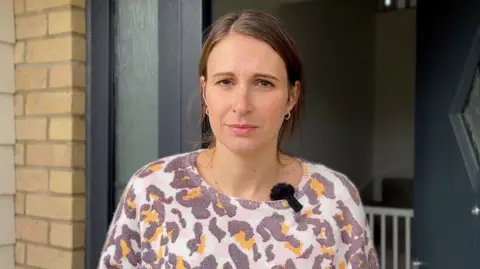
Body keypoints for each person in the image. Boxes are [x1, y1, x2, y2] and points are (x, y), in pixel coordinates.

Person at [98, 9, 379, 269]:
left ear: (291, 97)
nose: (242, 105)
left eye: (263, 83)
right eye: (225, 82)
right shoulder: (152, 191)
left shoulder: (334, 200)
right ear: (205, 91)